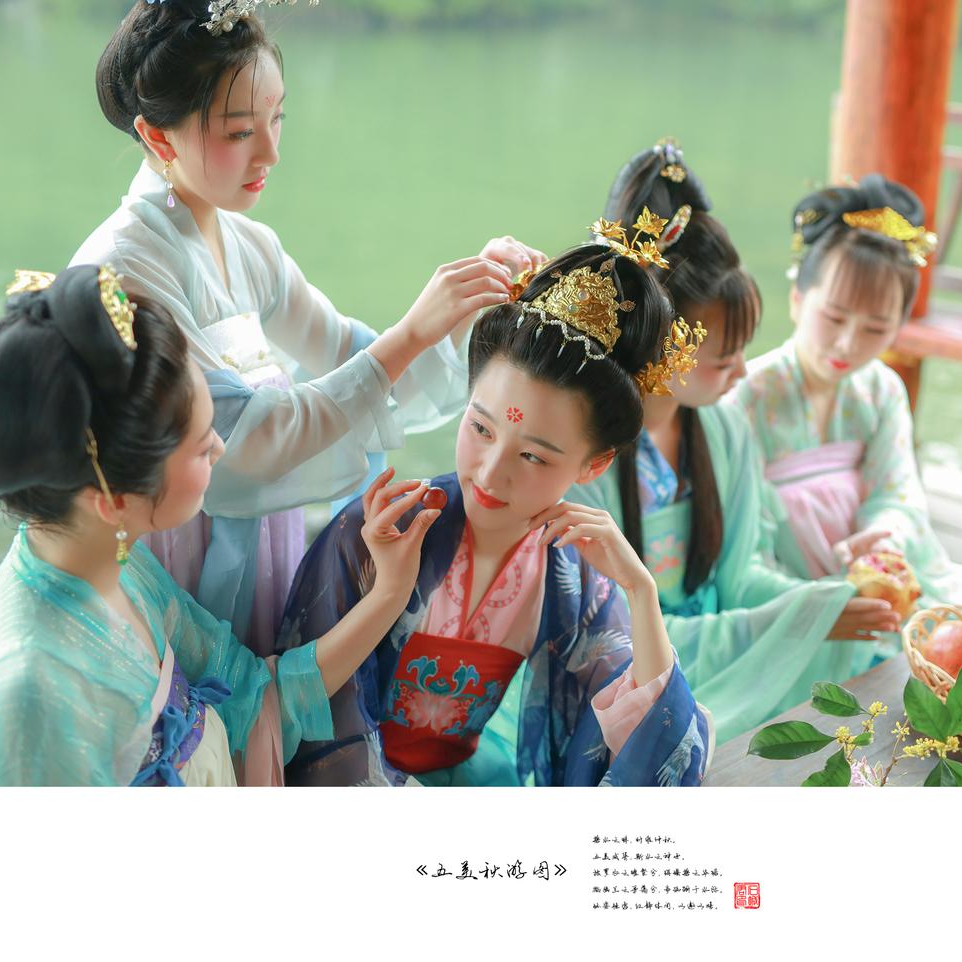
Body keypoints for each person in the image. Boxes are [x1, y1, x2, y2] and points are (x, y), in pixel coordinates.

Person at [74, 0, 542, 654]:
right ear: (158, 138)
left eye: (277, 119)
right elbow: (238, 446)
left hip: (263, 542)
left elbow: (351, 360)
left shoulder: (249, 245)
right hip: (169, 554)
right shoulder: (123, 269)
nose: (270, 151)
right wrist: (412, 332)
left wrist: (468, 307)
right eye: (240, 132)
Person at [0, 265, 451, 786]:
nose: (220, 448)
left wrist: (389, 592)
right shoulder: (26, 701)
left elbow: (256, 697)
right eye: (201, 447)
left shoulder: (116, 563)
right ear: (111, 498)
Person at [276, 241, 711, 786]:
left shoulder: (569, 576)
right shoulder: (375, 535)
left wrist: (640, 592)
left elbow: (665, 753)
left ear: (594, 465)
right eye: (480, 428)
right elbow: (310, 726)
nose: (488, 472)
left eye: (533, 456)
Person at [570, 143, 892, 744]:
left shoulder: (723, 428)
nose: (743, 373)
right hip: (627, 674)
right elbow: (603, 637)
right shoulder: (583, 456)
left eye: (743, 352)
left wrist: (825, 603)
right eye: (723, 360)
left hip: (715, 657)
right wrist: (801, 619)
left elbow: (740, 578)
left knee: (859, 666)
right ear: (661, 347)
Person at [730, 173, 962, 622]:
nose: (848, 344)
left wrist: (885, 537)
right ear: (797, 299)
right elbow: (740, 547)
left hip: (886, 582)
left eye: (875, 328)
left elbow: (899, 494)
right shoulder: (746, 399)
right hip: (794, 601)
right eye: (834, 317)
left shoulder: (881, 389)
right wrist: (821, 607)